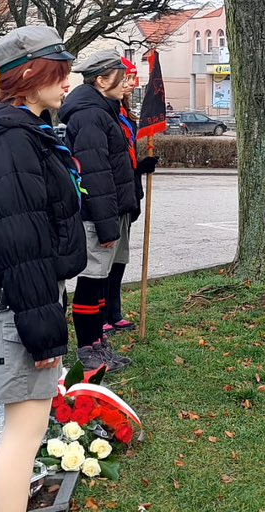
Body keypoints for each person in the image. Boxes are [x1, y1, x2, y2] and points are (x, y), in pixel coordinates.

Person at [0, 26, 88, 512]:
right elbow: (21, 246)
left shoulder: (22, 133)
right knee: (23, 436)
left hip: (22, 302)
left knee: (22, 431)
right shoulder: (12, 144)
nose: (68, 80)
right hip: (20, 306)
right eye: (60, 71)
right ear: (29, 76)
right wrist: (44, 332)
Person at [60, 50, 141, 371]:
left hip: (109, 213)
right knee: (91, 282)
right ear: (102, 79)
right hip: (96, 217)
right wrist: (107, 225)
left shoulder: (102, 110)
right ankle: (88, 348)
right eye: (122, 78)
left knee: (99, 281)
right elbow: (95, 175)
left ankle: (97, 343)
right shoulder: (91, 115)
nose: (128, 84)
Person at [100, 86, 158, 339]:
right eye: (125, 78)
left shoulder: (124, 112)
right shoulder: (105, 113)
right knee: (105, 261)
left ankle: (114, 312)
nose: (130, 84)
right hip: (111, 198)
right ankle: (100, 315)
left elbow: (127, 157)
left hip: (128, 195)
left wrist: (139, 169)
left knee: (120, 259)